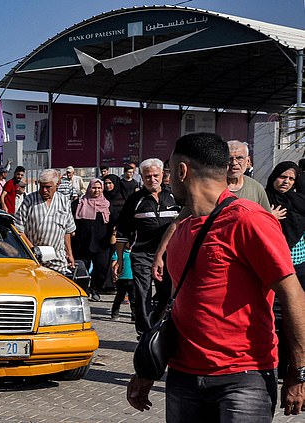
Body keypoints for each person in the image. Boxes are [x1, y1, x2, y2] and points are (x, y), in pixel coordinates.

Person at [127, 132, 305, 420]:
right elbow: (181, 307)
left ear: (182, 170)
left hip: (243, 378)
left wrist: (298, 372)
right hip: (183, 376)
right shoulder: (184, 230)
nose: (169, 178)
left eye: (170, 170)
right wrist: (148, 370)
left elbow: (293, 294)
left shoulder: (248, 219)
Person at [152, 139, 277, 283]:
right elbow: (178, 222)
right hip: (209, 261)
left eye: (239, 158)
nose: (234, 163)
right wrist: (160, 254)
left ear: (248, 161)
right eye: (230, 158)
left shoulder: (257, 189)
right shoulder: (209, 190)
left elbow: (268, 227)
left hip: (244, 263)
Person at [115, 158, 179, 336]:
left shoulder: (173, 196)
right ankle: (145, 331)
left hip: (169, 255)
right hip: (142, 254)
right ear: (142, 177)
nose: (152, 179)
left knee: (167, 293)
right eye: (148, 176)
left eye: (155, 175)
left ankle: (157, 324)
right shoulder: (135, 200)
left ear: (162, 174)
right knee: (143, 293)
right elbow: (122, 232)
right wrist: (119, 259)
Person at [265, 161, 305, 378]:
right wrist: (268, 217)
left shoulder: (298, 201)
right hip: (272, 267)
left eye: (291, 179)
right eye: (282, 177)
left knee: (295, 316)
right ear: (274, 177)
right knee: (274, 317)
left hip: (298, 268)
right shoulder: (264, 199)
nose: (286, 182)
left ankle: (291, 365)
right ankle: (273, 362)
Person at [14, 169, 76, 275]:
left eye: (48, 187)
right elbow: (18, 228)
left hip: (57, 259)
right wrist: (33, 249)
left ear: (57, 185)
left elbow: (67, 230)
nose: (44, 190)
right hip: (33, 258)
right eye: (42, 187)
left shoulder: (64, 201)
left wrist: (69, 253)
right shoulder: (30, 200)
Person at [73, 179, 112, 298]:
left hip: (101, 244)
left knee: (101, 267)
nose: (97, 190)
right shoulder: (80, 203)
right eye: (94, 188)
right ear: (89, 188)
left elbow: (112, 222)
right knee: (82, 269)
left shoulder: (107, 204)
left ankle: (94, 287)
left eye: (99, 188)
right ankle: (83, 291)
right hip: (83, 243)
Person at [110, 243, 135, 321]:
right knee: (119, 297)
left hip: (133, 279)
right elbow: (114, 263)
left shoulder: (135, 252)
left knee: (133, 299)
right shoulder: (119, 252)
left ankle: (134, 315)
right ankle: (114, 313)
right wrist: (114, 272)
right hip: (122, 279)